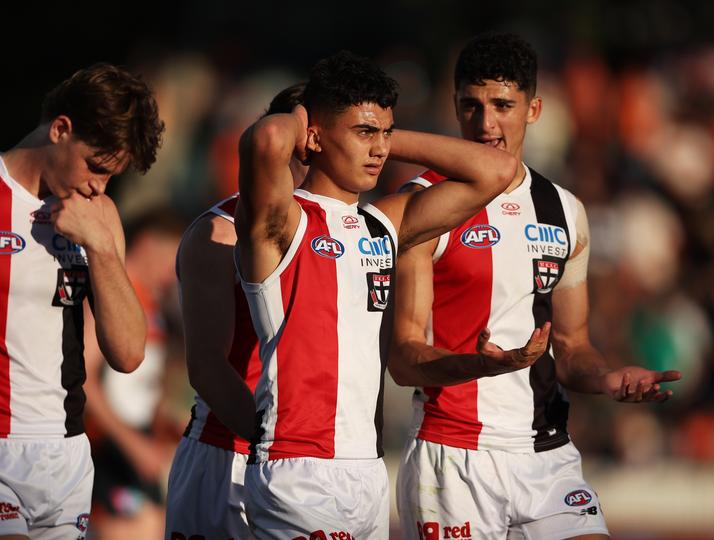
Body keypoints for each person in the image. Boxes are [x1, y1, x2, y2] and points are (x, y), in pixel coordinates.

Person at [234, 50, 546, 539]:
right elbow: (270, 138)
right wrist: (308, 114)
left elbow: (496, 170)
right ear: (313, 136)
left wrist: (379, 132)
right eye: (364, 134)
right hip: (297, 466)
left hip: (367, 469)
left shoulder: (382, 225)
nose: (379, 149)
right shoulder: (284, 224)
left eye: (386, 134)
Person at [390, 32, 682, 540]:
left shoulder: (565, 211)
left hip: (546, 454)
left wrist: (608, 378)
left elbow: (572, 348)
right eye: (471, 106)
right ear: (455, 109)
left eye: (503, 105)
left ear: (535, 108)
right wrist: (480, 366)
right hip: (455, 455)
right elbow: (403, 358)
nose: (486, 123)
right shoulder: (421, 205)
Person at [0, 63, 163, 539]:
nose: (99, 187)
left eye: (113, 177)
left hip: (65, 455)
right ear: (61, 129)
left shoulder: (101, 216)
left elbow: (127, 353)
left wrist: (102, 247)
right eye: (96, 167)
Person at [165, 82, 307, 540]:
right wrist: (279, 448)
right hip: (231, 456)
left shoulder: (350, 231)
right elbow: (207, 369)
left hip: (315, 459)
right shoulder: (218, 233)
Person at [83, 208, 183, 540]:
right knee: (140, 529)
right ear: (148, 245)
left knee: (157, 525)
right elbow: (83, 380)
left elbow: (141, 385)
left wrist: (170, 423)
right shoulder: (111, 295)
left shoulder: (153, 304)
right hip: (107, 447)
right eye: (172, 259)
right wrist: (131, 444)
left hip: (138, 446)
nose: (174, 274)